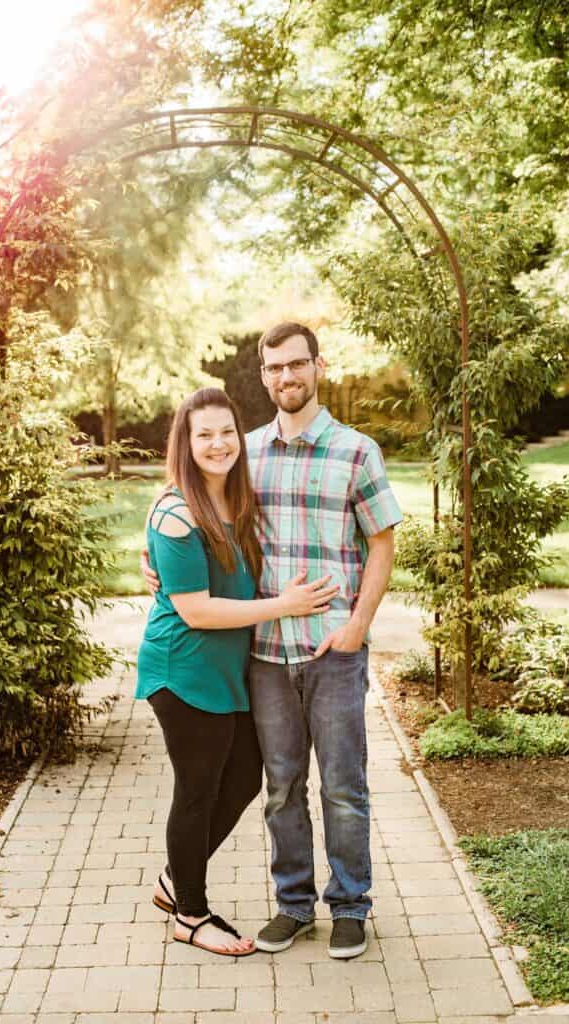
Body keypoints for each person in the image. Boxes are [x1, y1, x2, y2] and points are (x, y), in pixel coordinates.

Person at [143, 325, 402, 960]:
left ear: (318, 367)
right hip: (262, 656)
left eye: (297, 365)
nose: (286, 378)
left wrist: (358, 629)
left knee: (343, 786)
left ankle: (349, 907)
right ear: (262, 376)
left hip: (333, 651)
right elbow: (182, 510)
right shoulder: (246, 451)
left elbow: (383, 542)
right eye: (274, 368)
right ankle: (293, 907)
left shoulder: (356, 451)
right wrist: (150, 563)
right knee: (280, 786)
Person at [136, 387, 340, 958]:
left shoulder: (237, 495)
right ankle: (190, 915)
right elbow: (196, 609)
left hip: (225, 669)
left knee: (246, 776)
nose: (218, 443)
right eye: (204, 434)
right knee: (197, 789)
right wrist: (286, 606)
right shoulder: (177, 513)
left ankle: (176, 880)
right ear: (186, 442)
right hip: (183, 670)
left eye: (226, 431)